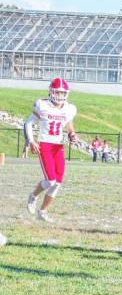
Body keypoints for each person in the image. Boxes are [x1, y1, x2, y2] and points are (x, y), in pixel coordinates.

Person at [24, 77, 78, 223]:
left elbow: (68, 123)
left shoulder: (69, 108)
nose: (60, 96)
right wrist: (31, 141)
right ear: (51, 92)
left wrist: (72, 133)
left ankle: (43, 211)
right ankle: (33, 196)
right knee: (50, 180)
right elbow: (28, 123)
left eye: (62, 93)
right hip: (45, 145)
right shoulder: (42, 105)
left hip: (58, 146)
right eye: (58, 92)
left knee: (58, 183)